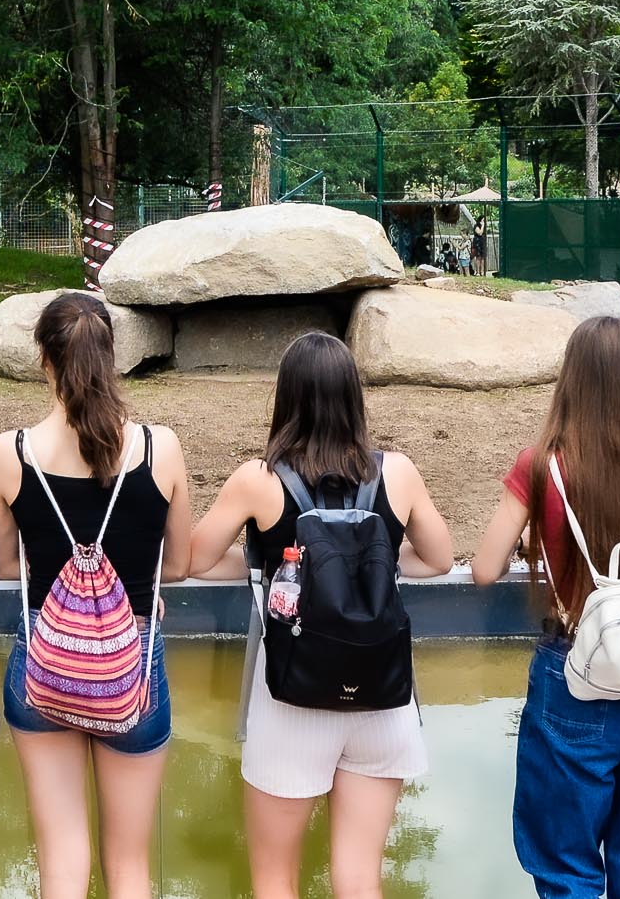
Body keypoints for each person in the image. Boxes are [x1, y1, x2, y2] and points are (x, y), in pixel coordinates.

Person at [188, 332, 453, 899]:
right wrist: (372, 566)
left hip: (293, 700)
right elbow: (439, 558)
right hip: (382, 698)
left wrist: (264, 566)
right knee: (358, 879)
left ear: (287, 398)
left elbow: (195, 559)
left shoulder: (257, 481)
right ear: (354, 397)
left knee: (275, 880)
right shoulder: (397, 474)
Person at [470, 317, 620, 899]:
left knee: (566, 869)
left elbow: (483, 568)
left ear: (570, 380)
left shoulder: (541, 466)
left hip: (573, 673)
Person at [0, 292, 192, 899]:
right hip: (134, 666)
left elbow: (5, 566)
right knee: (129, 867)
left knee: (62, 861)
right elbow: (176, 564)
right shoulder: (160, 448)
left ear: (43, 360)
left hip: (42, 667)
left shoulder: (11, 453)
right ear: (113, 358)